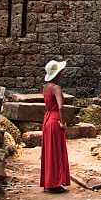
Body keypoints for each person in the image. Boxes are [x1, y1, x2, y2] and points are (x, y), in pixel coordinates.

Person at [40, 59, 71, 192]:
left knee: (49, 152)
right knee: (56, 152)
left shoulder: (46, 87)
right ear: (57, 74)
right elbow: (61, 107)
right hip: (55, 121)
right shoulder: (56, 88)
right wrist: (63, 123)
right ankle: (55, 183)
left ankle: (49, 182)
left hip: (47, 121)